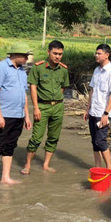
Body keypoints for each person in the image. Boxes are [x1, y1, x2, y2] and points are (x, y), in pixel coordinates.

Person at [0, 42, 32, 192]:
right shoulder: (1, 68)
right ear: (15, 54)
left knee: (10, 146)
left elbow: (23, 94)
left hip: (18, 114)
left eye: (27, 56)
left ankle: (5, 177)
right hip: (4, 115)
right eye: (24, 56)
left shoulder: (22, 71)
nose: (26, 58)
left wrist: (27, 115)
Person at [21, 40, 70, 174]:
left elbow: (63, 88)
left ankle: (46, 165)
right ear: (48, 52)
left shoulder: (64, 69)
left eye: (60, 54)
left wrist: (55, 101)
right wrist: (36, 108)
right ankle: (28, 165)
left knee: (53, 137)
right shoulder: (38, 67)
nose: (57, 56)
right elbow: (32, 88)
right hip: (42, 107)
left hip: (58, 107)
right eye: (55, 53)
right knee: (36, 137)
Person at [83, 44, 111, 171]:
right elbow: (92, 91)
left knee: (100, 141)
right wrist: (87, 110)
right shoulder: (96, 70)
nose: (96, 55)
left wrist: (106, 114)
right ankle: (97, 167)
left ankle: (109, 168)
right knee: (94, 142)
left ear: (107, 55)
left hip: (103, 113)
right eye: (96, 53)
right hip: (93, 111)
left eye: (99, 53)